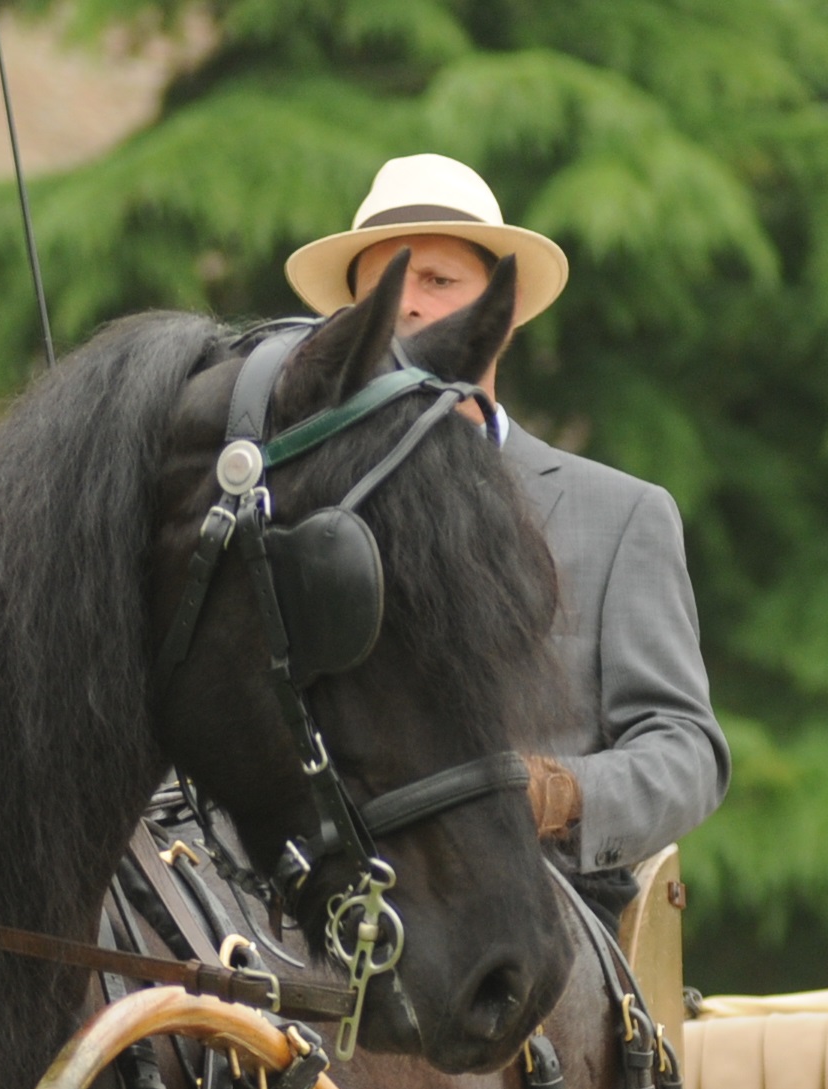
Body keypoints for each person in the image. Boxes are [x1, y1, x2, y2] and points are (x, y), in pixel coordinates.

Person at [287, 155, 728, 917]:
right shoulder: (297, 519)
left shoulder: (622, 515)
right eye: (382, 292)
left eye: (438, 282)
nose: (408, 309)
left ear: (504, 309)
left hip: (545, 926)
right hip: (329, 925)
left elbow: (686, 749)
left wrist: (554, 794)